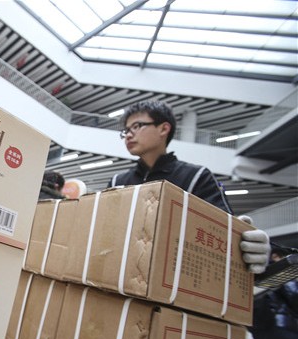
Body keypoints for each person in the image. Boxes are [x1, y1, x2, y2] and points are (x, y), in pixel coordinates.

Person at [108, 100, 270, 273]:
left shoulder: (196, 177)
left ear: (163, 129)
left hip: (170, 277)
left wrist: (245, 244)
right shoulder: (118, 182)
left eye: (137, 126)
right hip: (119, 274)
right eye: (126, 130)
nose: (128, 135)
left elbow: (222, 234)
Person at [249, 247, 298, 339]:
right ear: (276, 256)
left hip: (263, 330)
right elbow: (294, 297)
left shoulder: (252, 272)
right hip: (284, 330)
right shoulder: (277, 273)